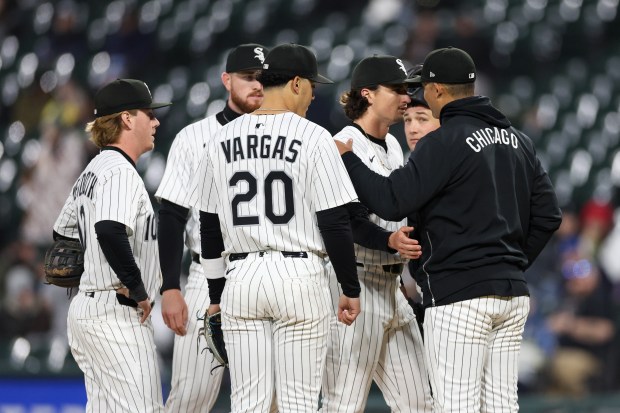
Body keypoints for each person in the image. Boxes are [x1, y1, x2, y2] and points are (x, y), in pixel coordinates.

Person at [335, 47, 562, 412]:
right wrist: (511, 264)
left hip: (459, 295)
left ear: (438, 90)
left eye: (423, 87)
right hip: (512, 295)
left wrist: (348, 159)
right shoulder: (518, 140)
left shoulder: (443, 141)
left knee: (455, 405)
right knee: (501, 405)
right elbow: (550, 215)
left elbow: (392, 201)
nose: (416, 96)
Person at [185, 43, 362, 412]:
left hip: (241, 278)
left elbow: (209, 226)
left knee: (248, 403)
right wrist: (349, 286)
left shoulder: (220, 138)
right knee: (297, 403)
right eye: (313, 85)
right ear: (296, 83)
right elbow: (334, 221)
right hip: (298, 274)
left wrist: (216, 296)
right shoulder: (314, 137)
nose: (314, 94)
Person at [155, 43, 269, 413]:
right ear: (226, 80)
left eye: (263, 79)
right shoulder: (193, 137)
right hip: (207, 276)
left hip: (266, 272)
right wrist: (170, 286)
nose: (257, 86)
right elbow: (171, 215)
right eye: (248, 78)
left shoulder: (280, 136)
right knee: (191, 396)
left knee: (272, 398)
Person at [320, 55, 432, 413]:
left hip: (392, 287)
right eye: (396, 89)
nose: (405, 97)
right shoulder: (342, 144)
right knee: (344, 405)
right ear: (367, 94)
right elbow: (344, 220)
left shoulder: (394, 145)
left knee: (420, 404)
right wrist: (387, 240)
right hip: (354, 288)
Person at [53, 78, 171, 412]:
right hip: (114, 313)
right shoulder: (119, 171)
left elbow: (62, 235)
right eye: (148, 113)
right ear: (127, 119)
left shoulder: (92, 170)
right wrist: (138, 288)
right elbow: (107, 229)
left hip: (91, 309)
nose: (156, 121)